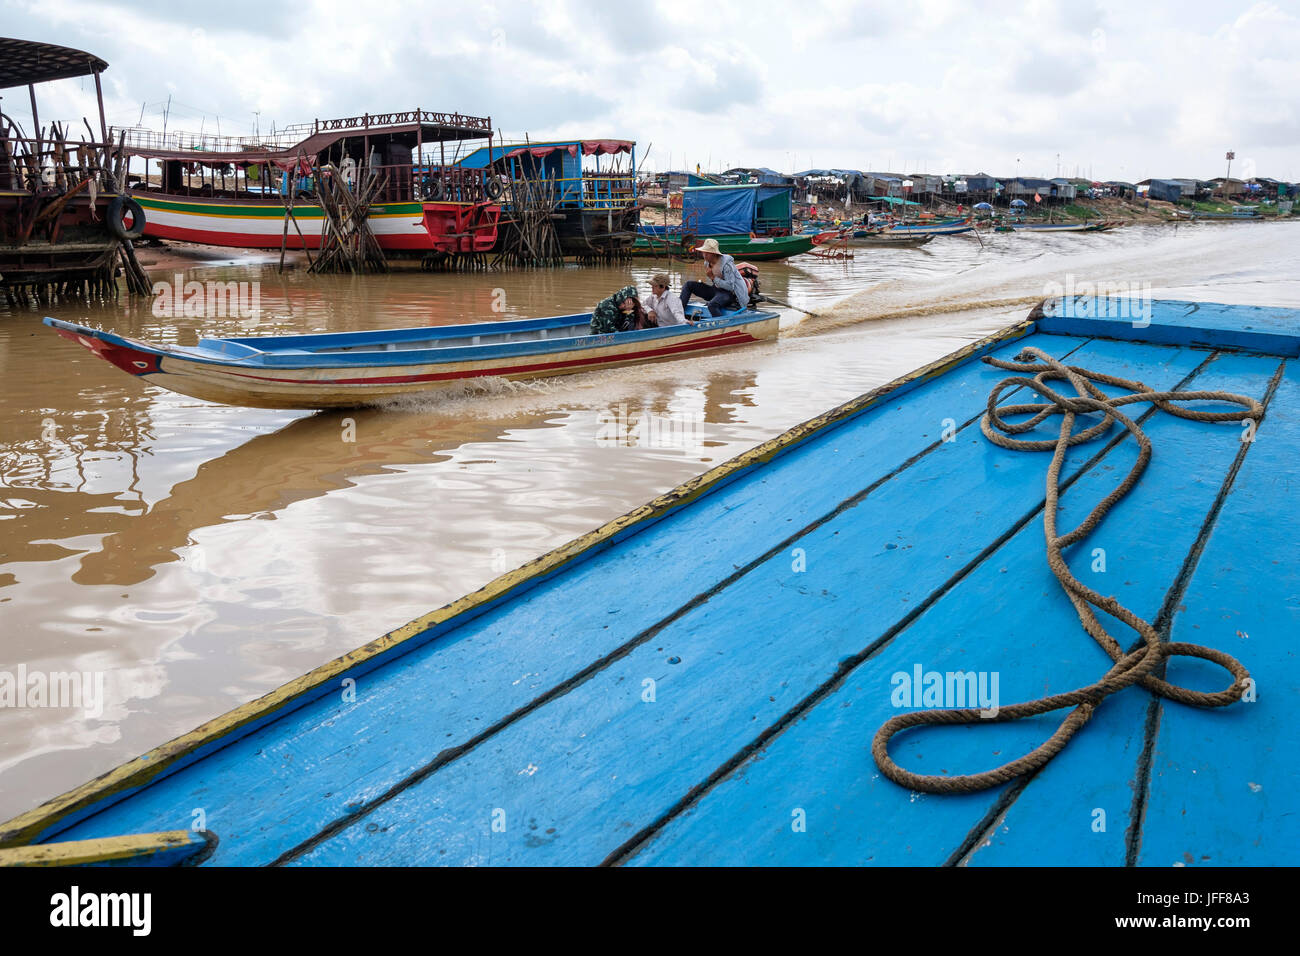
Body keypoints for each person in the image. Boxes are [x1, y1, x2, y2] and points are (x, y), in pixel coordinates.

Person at [679, 238, 749, 317]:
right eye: (703, 253)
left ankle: (721, 325)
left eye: (707, 253)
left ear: (714, 254)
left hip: (729, 294)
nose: (704, 255)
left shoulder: (727, 265)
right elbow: (715, 284)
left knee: (712, 305)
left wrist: (713, 278)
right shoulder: (707, 263)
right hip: (716, 291)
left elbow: (730, 287)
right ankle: (679, 314)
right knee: (689, 285)